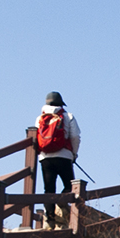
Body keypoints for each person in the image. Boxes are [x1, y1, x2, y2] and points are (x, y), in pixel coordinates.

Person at [35, 91, 83, 228]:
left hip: (45, 157)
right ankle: (62, 200)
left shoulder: (40, 118)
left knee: (48, 189)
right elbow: (75, 137)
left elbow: (36, 137)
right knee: (70, 186)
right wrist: (74, 154)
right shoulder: (68, 116)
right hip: (64, 156)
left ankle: (50, 219)